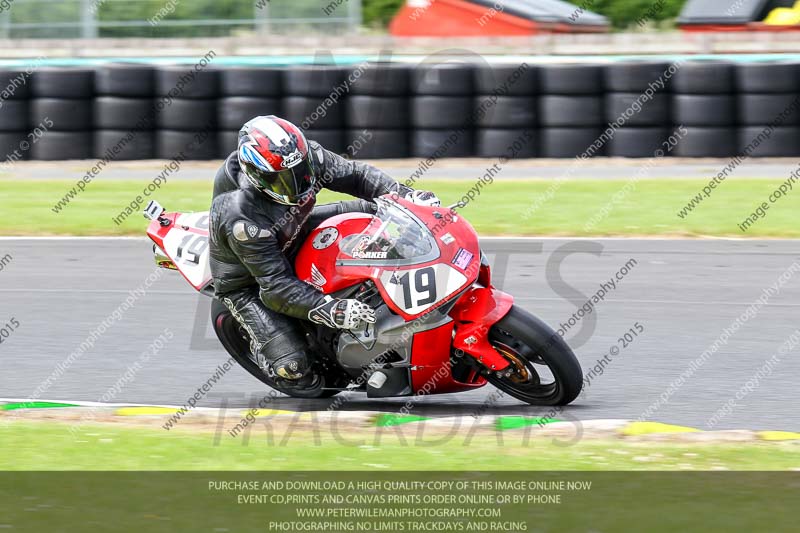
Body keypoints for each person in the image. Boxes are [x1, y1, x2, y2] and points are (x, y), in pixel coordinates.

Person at [209, 115, 440, 388]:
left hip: (296, 226)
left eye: (299, 172)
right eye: (282, 180)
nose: (296, 183)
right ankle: (271, 352)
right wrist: (333, 309)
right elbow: (275, 287)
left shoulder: (304, 156)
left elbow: (357, 176)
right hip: (250, 281)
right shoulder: (241, 218)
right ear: (256, 175)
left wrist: (402, 194)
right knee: (295, 370)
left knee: (378, 211)